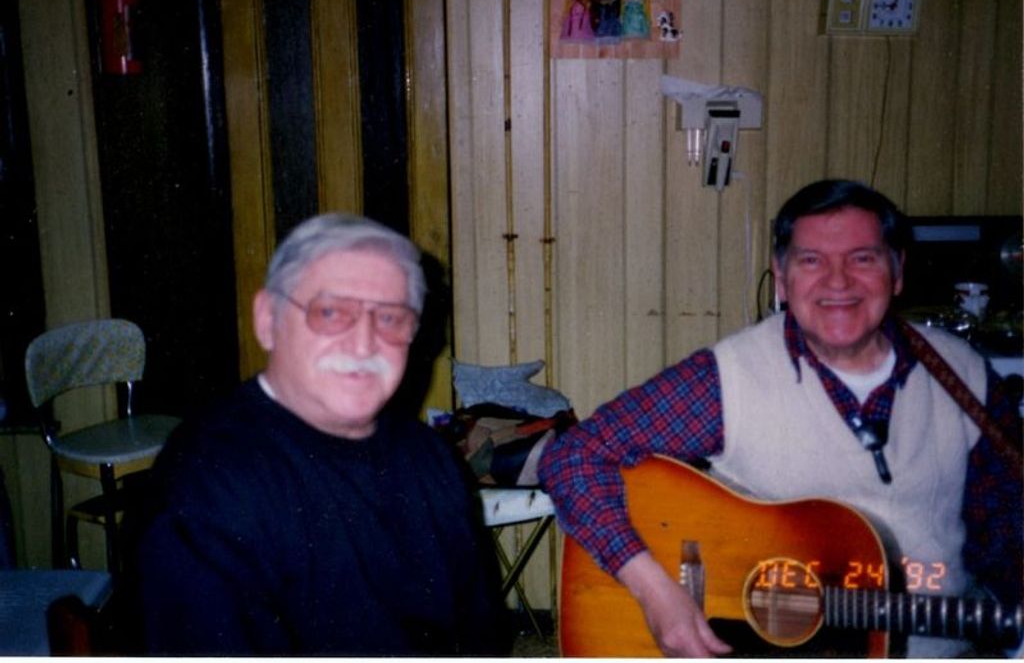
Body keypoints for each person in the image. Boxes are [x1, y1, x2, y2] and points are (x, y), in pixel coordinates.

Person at [538, 179, 1022, 658]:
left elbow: (1005, 532)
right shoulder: (726, 379)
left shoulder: (966, 377)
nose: (838, 281)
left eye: (862, 259)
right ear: (782, 279)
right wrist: (654, 591)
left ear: (897, 272)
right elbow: (574, 456)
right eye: (811, 261)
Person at [131, 213, 507, 656]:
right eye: (330, 312)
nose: (364, 344)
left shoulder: (429, 456)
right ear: (267, 319)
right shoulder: (206, 486)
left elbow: (479, 639)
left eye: (390, 318)